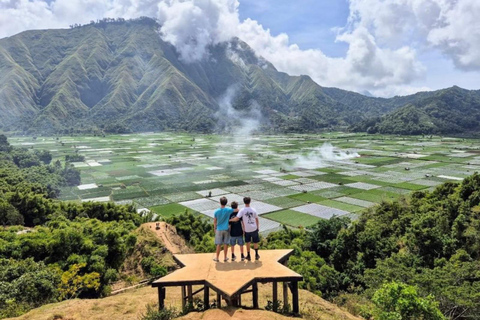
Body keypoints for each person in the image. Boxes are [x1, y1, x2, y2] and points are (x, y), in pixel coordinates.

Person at [230, 197, 260, 261]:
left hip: (247, 229)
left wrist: (229, 220)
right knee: (255, 242)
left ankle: (248, 255)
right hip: (254, 228)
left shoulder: (242, 210)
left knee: (248, 242)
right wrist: (257, 227)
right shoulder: (253, 210)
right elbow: (257, 219)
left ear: (244, 202)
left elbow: (237, 218)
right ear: (250, 201)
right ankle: (256, 255)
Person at [213, 196, 234, 262]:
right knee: (226, 244)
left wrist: (214, 229)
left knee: (218, 244)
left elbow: (215, 221)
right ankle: (225, 257)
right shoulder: (228, 210)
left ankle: (217, 258)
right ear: (226, 203)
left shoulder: (216, 211)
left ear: (220, 202)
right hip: (226, 229)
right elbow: (236, 209)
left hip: (219, 229)